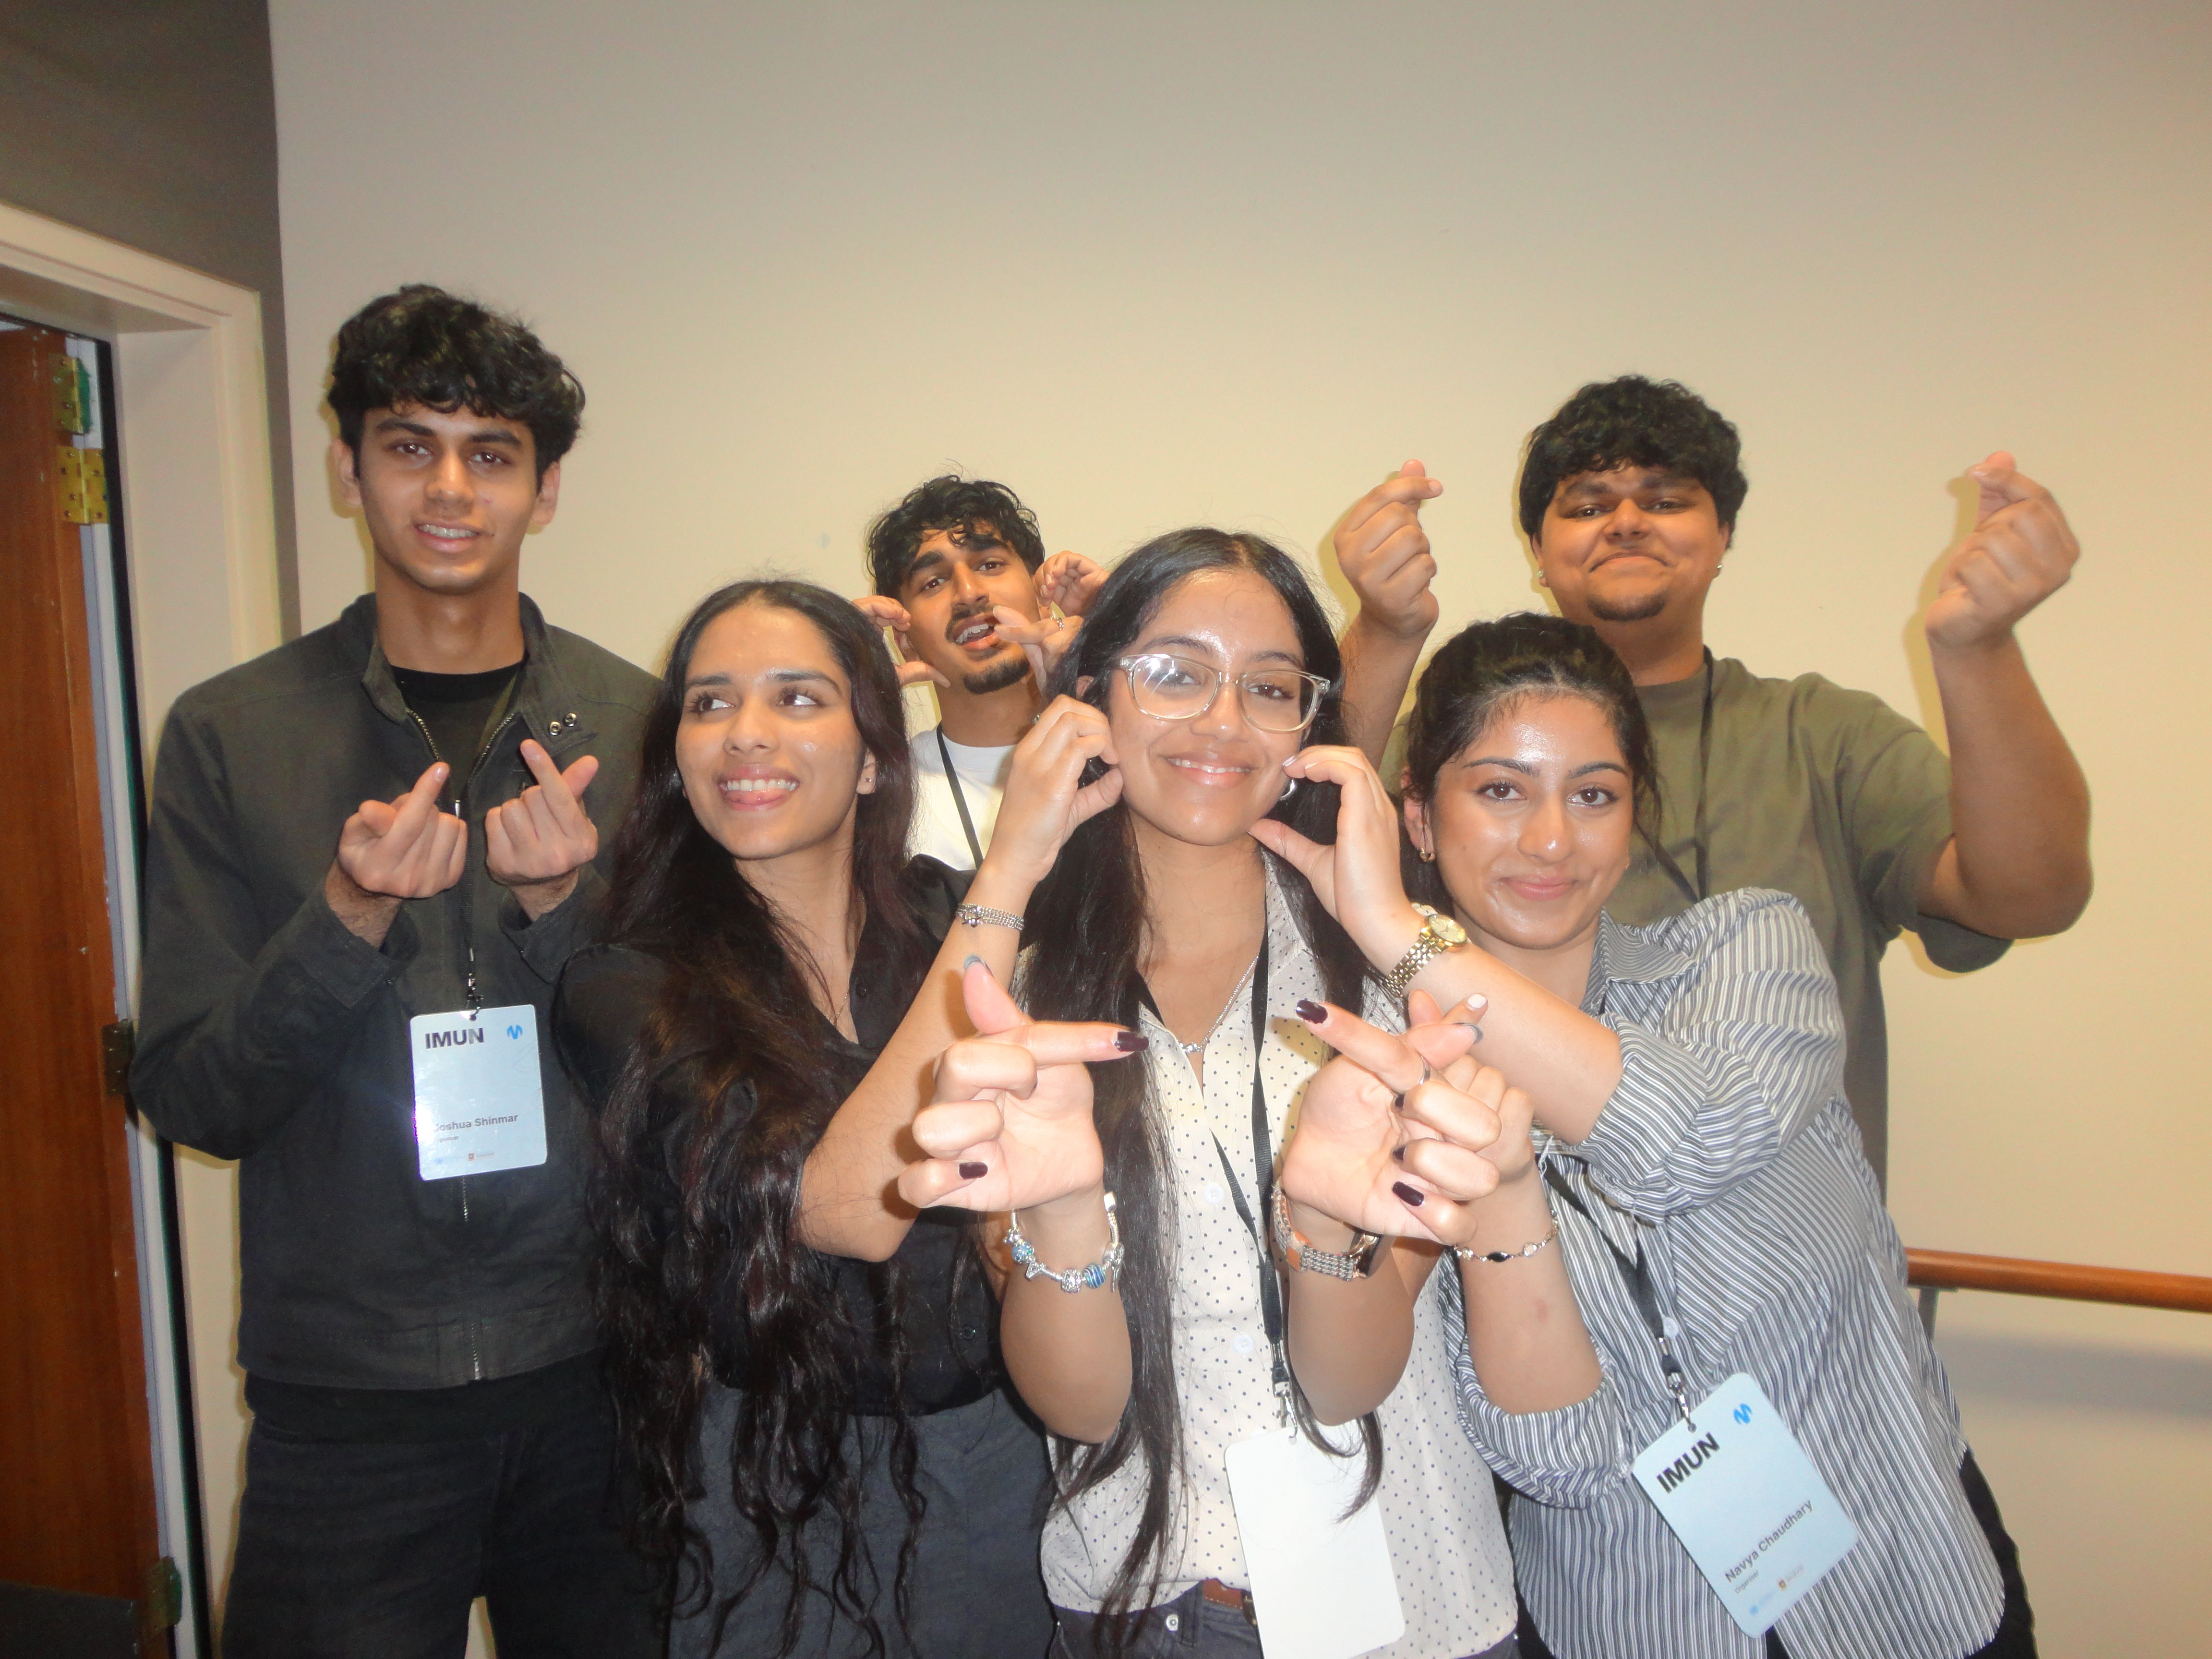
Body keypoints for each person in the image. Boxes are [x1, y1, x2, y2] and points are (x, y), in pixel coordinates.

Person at [1270, 611, 2036, 1659]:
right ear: (1418, 816)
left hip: (1907, 1594)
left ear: (1635, 813)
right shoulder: (1404, 1094)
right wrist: (1473, 1209)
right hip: (1634, 1621)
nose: (1551, 839)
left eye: (1594, 794)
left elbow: (1682, 1137)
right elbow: (1560, 1458)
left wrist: (1396, 933)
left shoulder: (1744, 952)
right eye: (1501, 790)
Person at [131, 285, 660, 1656]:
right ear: (345, 468)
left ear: (546, 492)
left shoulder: (639, 726)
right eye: (407, 443)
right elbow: (193, 1097)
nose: (447, 487)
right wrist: (343, 917)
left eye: (491, 453)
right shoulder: (229, 736)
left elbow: (690, 1076)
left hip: (600, 1382)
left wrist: (562, 917)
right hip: (346, 1403)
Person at [896, 530, 1522, 1659]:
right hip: (1145, 1594)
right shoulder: (1016, 1001)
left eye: (1271, 686)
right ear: (1090, 697)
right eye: (1176, 671)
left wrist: (1328, 1229)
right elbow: (1081, 1409)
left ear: (1309, 727)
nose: (1224, 719)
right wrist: (1061, 1213)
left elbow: (1349, 1377)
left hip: (1406, 1582)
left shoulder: (1396, 971)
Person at [556, 577, 1133, 1657]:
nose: (747, 736)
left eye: (798, 699)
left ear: (872, 756)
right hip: (780, 1486)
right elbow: (848, 1206)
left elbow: (1169, 889)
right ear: (677, 761)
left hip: (1001, 1457)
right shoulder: (623, 983)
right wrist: (1010, 865)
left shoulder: (937, 915)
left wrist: (1108, 699)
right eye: (711, 703)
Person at [1363, 380, 2091, 1179]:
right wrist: (1382, 633)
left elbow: (2030, 896)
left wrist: (1978, 648)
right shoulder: (1455, 739)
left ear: (1723, 536)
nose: (1626, 521)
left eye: (1666, 498)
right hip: (1492, 1239)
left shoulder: (1825, 736)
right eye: (1585, 505)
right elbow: (1305, 863)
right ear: (1537, 552)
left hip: (1777, 1267)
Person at [856, 474, 1108, 867]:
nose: (969, 592)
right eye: (933, 582)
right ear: (904, 640)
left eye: (990, 564)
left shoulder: (1123, 751)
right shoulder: (876, 794)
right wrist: (835, 676)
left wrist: (1121, 636)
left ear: (1043, 600)